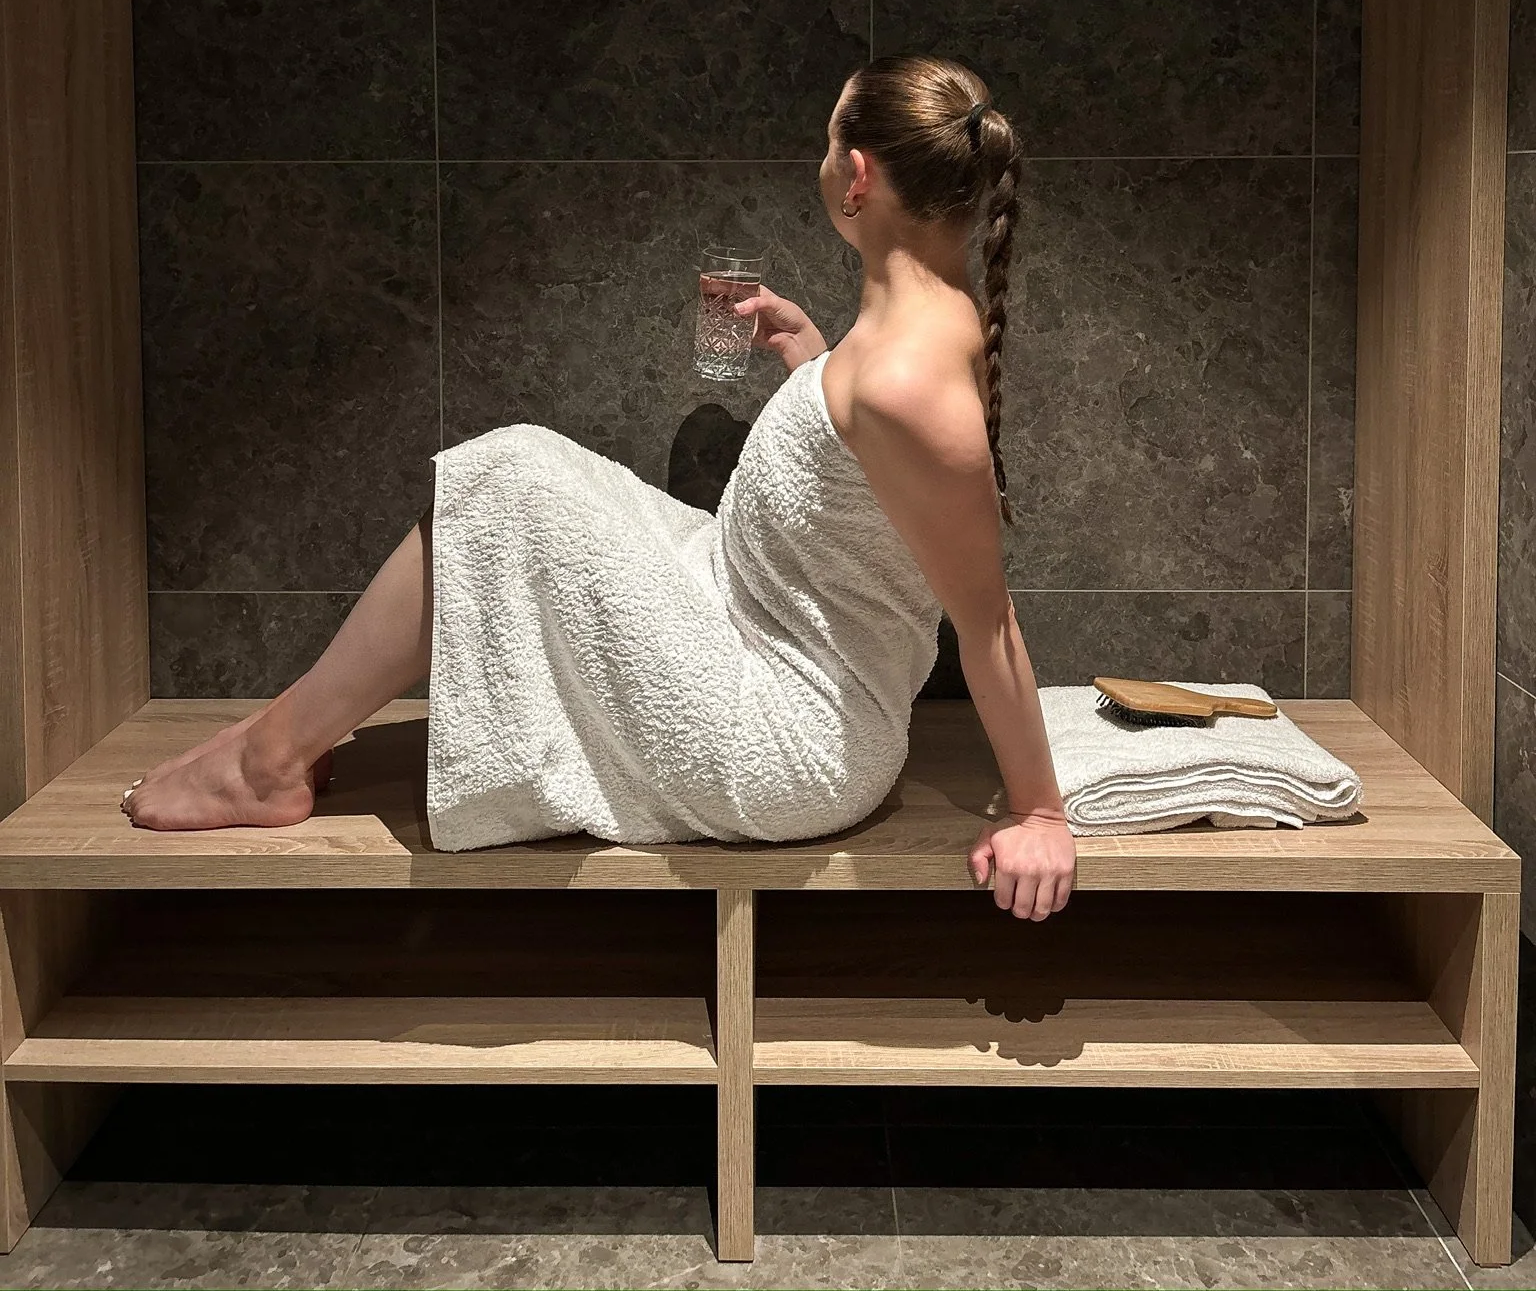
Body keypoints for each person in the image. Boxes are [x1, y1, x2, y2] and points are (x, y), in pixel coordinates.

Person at [122, 54, 1075, 923]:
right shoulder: (922, 322)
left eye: (828, 143)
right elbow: (874, 493)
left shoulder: (909, 379)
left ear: (858, 176)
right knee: (524, 477)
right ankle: (292, 726)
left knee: (512, 480)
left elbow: (987, 620)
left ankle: (270, 760)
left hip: (789, 733)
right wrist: (809, 360)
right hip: (751, 616)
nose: (820, 164)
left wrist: (1039, 812)